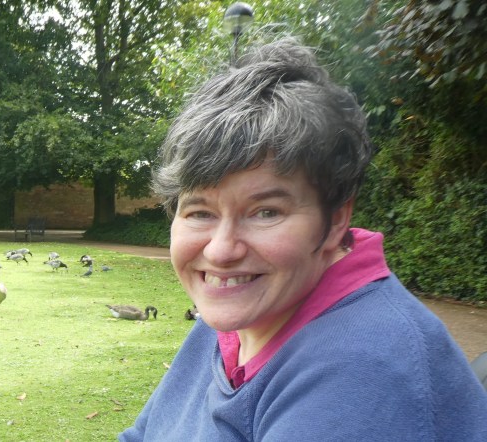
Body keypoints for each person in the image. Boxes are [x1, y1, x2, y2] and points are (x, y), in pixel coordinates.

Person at [119, 38, 487, 441]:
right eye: (200, 212)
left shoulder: (362, 371)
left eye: (266, 212)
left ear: (335, 219)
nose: (222, 251)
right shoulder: (237, 311)